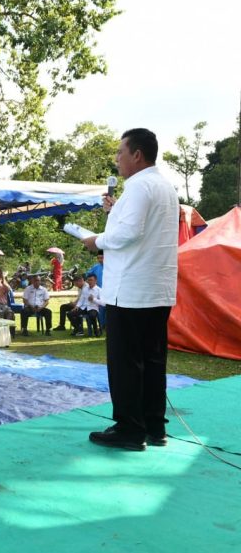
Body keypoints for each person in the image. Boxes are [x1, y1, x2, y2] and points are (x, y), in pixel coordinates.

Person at [82, 128, 179, 451]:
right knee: (152, 360)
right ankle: (154, 426)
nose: (117, 159)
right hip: (157, 288)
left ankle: (129, 428)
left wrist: (96, 240)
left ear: (137, 155)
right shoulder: (165, 187)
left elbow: (130, 234)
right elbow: (142, 230)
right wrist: (115, 212)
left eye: (120, 152)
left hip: (131, 290)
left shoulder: (138, 186)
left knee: (126, 362)